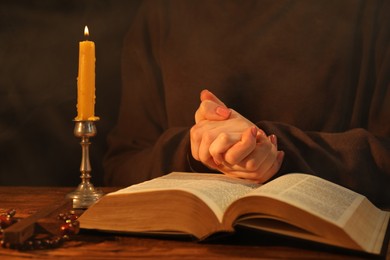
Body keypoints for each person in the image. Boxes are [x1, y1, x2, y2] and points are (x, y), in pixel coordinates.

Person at [104, 0, 390, 207]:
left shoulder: (370, 12)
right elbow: (122, 165)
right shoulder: (161, 13)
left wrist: (274, 151)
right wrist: (198, 150)